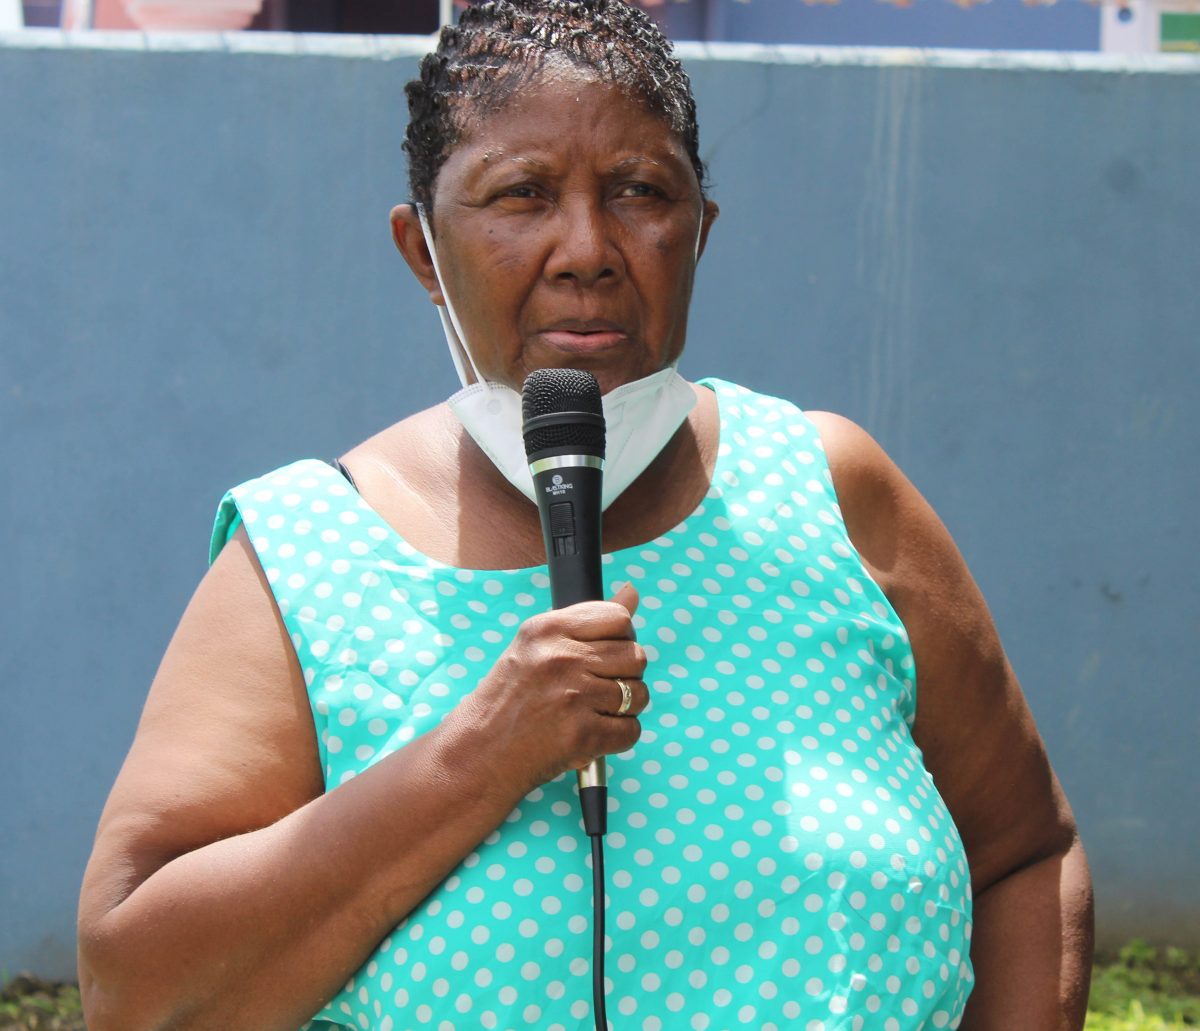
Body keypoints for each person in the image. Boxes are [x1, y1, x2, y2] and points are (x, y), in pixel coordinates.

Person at [77, 2, 1094, 1028]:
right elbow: (139, 990)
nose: (587, 249)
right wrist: (479, 753)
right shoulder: (305, 560)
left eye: (640, 192)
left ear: (700, 227)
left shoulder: (835, 493)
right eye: (520, 195)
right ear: (423, 250)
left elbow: (1025, 855)